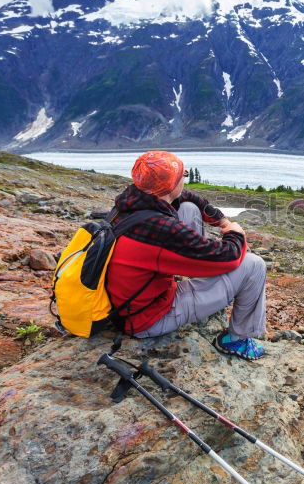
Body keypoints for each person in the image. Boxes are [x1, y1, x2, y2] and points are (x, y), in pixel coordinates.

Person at [105, 151, 268, 360]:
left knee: (188, 208)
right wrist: (235, 232)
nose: (184, 179)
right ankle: (236, 340)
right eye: (183, 175)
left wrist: (221, 220)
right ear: (170, 184)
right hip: (147, 318)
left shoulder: (132, 202)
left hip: (126, 302)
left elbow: (186, 197)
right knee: (253, 265)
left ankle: (193, 278)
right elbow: (229, 256)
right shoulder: (161, 230)